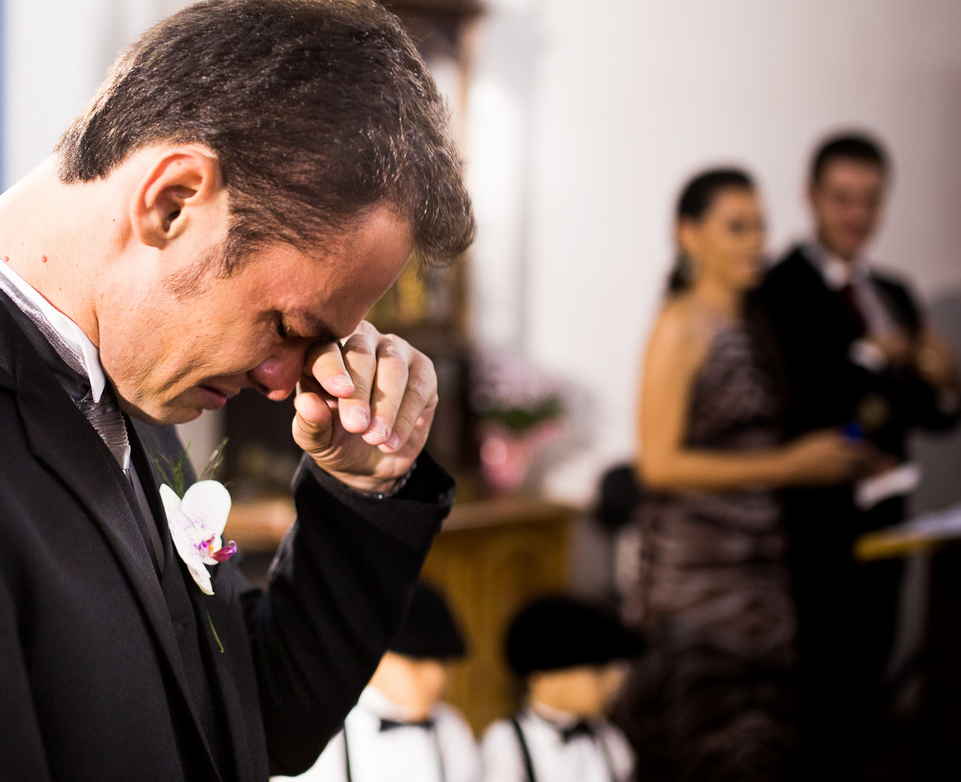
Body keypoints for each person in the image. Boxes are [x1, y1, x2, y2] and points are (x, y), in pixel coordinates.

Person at [0, 0, 475, 780]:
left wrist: (363, 487)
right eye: (286, 326)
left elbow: (248, 722)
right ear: (173, 201)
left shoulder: (125, 389)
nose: (286, 381)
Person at [612, 168, 874, 781]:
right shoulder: (680, 324)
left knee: (763, 750)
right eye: (736, 227)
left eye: (759, 226)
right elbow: (658, 462)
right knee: (700, 748)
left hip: (764, 576)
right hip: (697, 585)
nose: (755, 241)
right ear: (688, 235)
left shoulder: (760, 324)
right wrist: (792, 465)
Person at [759, 133, 961, 777]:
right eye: (842, 199)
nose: (857, 215)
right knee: (816, 703)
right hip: (811, 529)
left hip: (889, 520)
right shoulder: (777, 289)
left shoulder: (897, 293)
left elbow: (935, 416)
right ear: (811, 197)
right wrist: (877, 357)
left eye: (870, 201)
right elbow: (795, 403)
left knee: (870, 691)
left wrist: (947, 380)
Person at [274, 581, 480, 782]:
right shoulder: (322, 733)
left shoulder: (452, 728)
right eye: (417, 661)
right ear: (375, 658)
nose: (436, 677)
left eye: (442, 662)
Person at [481, 594, 646, 782]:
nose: (614, 683)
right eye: (597, 671)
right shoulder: (507, 743)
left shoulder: (609, 739)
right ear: (547, 679)